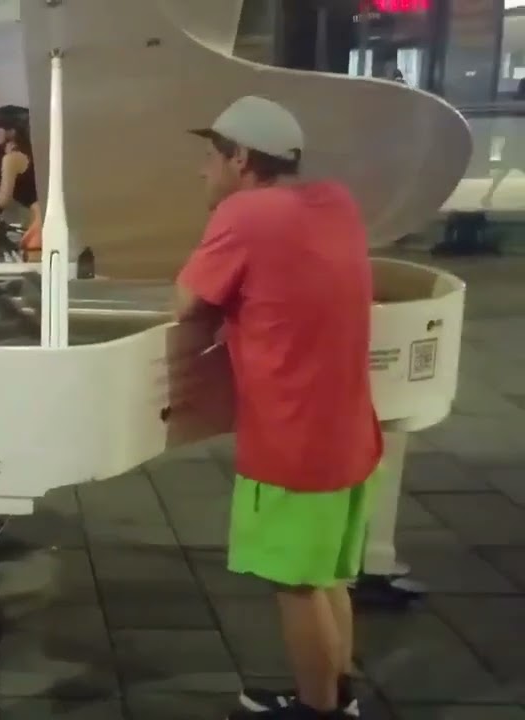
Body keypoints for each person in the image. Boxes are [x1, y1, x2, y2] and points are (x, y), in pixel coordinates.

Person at [175, 96, 381, 720]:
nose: (202, 171)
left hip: (292, 437)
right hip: (348, 430)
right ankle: (335, 694)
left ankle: (318, 710)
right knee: (326, 576)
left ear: (240, 157)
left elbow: (184, 304)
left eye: (210, 157)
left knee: (294, 585)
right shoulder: (336, 202)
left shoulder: (245, 213)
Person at [0, 105, 41, 259]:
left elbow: (4, 200)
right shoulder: (29, 150)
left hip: (38, 222)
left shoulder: (11, 159)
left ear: (10, 131)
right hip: (41, 216)